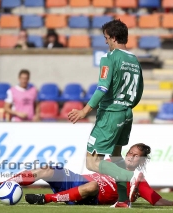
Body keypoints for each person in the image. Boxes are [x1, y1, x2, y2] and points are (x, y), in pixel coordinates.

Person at [67, 19, 144, 208]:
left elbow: (102, 87)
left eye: (107, 38)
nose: (106, 42)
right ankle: (123, 200)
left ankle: (126, 176)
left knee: (92, 162)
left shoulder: (109, 57)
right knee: (116, 157)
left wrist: (85, 110)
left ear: (115, 38)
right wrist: (127, 106)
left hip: (110, 114)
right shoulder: (134, 60)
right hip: (126, 114)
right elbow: (140, 91)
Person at [0, 143, 173, 207]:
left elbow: (155, 199)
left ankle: (45, 199)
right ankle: (3, 185)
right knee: (47, 167)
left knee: (93, 187)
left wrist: (172, 204)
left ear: (141, 161)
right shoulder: (111, 163)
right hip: (77, 182)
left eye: (136, 156)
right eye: (130, 153)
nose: (131, 157)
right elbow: (92, 162)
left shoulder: (137, 180)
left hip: (90, 195)